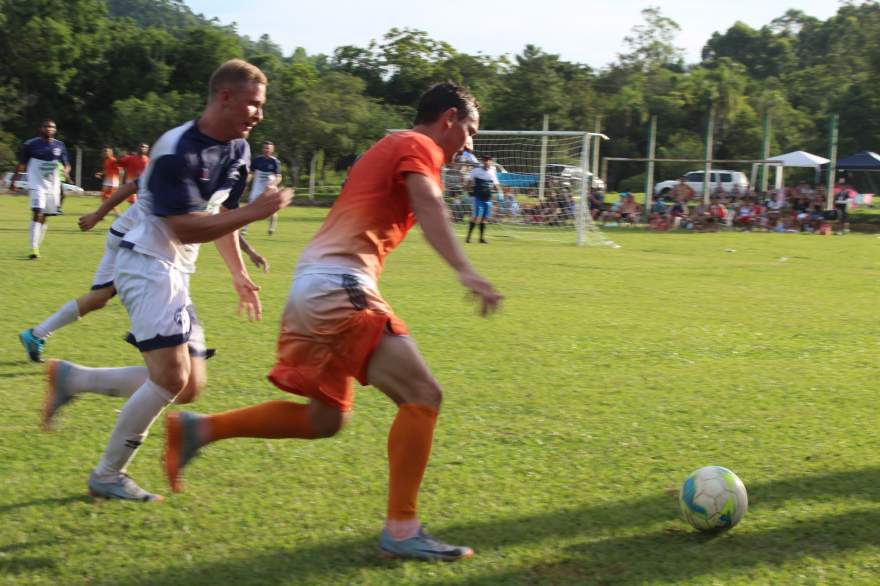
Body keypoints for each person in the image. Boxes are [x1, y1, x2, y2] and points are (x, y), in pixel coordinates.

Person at [162, 81, 502, 561]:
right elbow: (428, 202)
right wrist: (466, 269)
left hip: (315, 285)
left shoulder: (393, 146)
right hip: (336, 288)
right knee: (423, 395)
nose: (470, 144)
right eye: (469, 131)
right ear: (448, 118)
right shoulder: (417, 144)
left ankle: (199, 430)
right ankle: (403, 530)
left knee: (326, 419)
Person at [43, 59, 292, 501]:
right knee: (171, 378)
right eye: (254, 105)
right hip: (146, 263)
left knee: (190, 384)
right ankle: (107, 474)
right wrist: (258, 211)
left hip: (176, 268)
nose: (260, 115)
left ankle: (73, 381)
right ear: (225, 97)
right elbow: (184, 226)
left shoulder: (238, 149)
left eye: (262, 106)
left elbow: (221, 217)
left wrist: (238, 272)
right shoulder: (178, 150)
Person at [19, 181, 268, 364]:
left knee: (100, 297)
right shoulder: (178, 161)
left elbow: (221, 220)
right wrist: (98, 214)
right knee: (164, 281)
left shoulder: (207, 168)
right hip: (133, 239)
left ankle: (37, 334)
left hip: (139, 239)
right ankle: (182, 342)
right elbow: (132, 186)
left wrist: (248, 252)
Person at [14, 119, 70, 259]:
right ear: (41, 128)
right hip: (36, 183)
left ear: (55, 130)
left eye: (52, 127)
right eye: (47, 126)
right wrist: (15, 180)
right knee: (37, 211)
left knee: (45, 216)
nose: (49, 129)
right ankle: (33, 248)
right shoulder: (30, 144)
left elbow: (66, 164)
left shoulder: (60, 145)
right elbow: (22, 164)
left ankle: (37, 246)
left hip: (52, 185)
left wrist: (66, 171)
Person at [246, 140, 283, 235]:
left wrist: (272, 184)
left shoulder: (275, 162)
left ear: (272, 150)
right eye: (265, 148)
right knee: (249, 208)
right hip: (257, 187)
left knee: (271, 209)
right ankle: (244, 229)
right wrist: (246, 182)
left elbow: (279, 177)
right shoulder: (257, 160)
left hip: (269, 188)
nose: (266, 150)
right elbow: (251, 173)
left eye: (268, 148)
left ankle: (271, 228)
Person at [464, 154, 500, 243]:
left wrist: (500, 191)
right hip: (478, 197)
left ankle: (481, 238)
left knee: (485, 218)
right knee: (476, 217)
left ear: (491, 162)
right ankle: (468, 237)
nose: (486, 162)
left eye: (488, 160)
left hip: (488, 198)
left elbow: (496, 183)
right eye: (485, 160)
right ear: (482, 161)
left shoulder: (492, 171)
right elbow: (469, 181)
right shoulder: (476, 170)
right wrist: (467, 190)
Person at [95, 147, 123, 217]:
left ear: (111, 153)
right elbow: (106, 170)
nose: (105, 153)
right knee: (104, 198)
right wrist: (100, 173)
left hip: (113, 183)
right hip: (107, 182)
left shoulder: (113, 160)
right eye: (104, 151)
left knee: (109, 200)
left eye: (106, 151)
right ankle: (104, 214)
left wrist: (119, 182)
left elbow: (121, 170)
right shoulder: (106, 161)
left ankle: (119, 215)